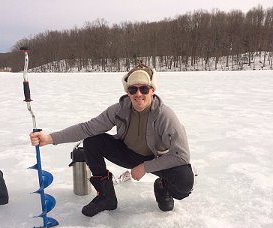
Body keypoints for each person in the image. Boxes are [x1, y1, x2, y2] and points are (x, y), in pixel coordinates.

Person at [29, 64, 195, 217]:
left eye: (144, 89)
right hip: (127, 153)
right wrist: (50, 138)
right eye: (133, 89)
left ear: (152, 90)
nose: (138, 94)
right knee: (92, 141)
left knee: (185, 181)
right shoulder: (119, 110)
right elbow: (87, 128)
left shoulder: (165, 116)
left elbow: (182, 155)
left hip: (156, 159)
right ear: (127, 91)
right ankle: (106, 197)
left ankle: (163, 187)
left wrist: (146, 167)